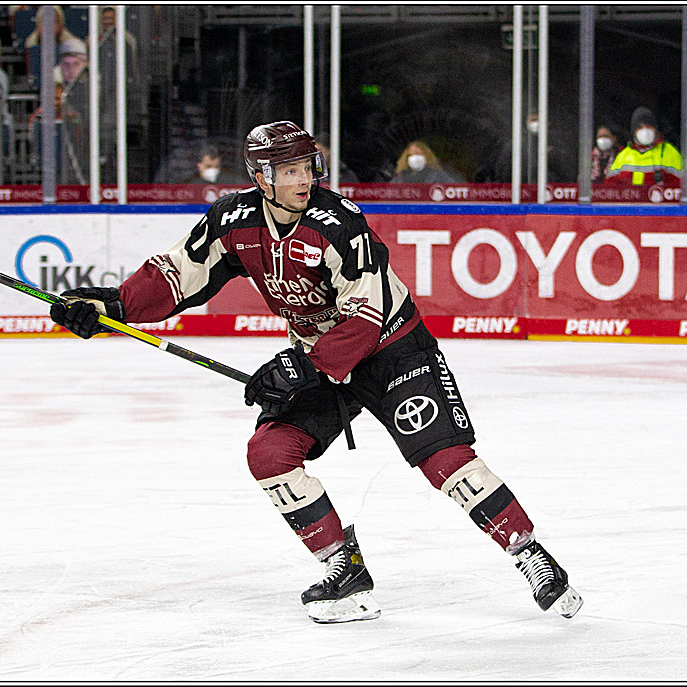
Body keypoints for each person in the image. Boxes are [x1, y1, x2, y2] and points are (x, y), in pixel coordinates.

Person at [48, 121, 584, 624]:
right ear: (261, 176)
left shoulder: (341, 223)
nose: (304, 178)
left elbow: (365, 317)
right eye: (289, 170)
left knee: (444, 460)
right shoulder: (233, 221)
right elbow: (178, 275)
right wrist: (112, 305)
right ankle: (344, 568)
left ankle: (530, 555)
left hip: (393, 351)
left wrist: (296, 367)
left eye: (308, 166)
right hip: (316, 359)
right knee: (269, 454)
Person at [605, 106, 682, 186]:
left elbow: (682, 187)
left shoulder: (669, 153)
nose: (645, 131)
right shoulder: (623, 157)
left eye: (649, 126)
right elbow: (610, 189)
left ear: (655, 129)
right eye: (640, 127)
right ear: (634, 131)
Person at [390, 140, 460, 183]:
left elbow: (455, 189)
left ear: (426, 156)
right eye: (411, 155)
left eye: (418, 154)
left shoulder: (438, 175)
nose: (414, 157)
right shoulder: (400, 177)